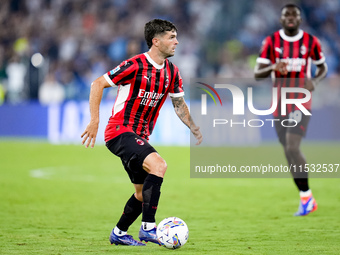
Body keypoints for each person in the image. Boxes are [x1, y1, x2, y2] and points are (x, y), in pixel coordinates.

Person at [81, 19, 202, 246]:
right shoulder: (135, 65)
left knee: (141, 193)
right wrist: (94, 121)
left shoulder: (172, 72)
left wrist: (193, 126)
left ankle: (119, 232)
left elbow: (179, 105)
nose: (177, 42)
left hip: (139, 136)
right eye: (171, 37)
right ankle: (148, 228)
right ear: (156, 41)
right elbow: (97, 84)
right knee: (159, 165)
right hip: (119, 131)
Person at [254, 4, 328, 216]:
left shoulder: (311, 42)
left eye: (294, 15)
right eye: (286, 14)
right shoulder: (271, 42)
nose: (290, 18)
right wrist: (273, 67)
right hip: (279, 103)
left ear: (300, 19)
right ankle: (306, 198)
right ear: (281, 19)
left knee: (292, 147)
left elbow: (322, 66)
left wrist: (315, 80)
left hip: (301, 101)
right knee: (287, 150)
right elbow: (258, 73)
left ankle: (306, 195)